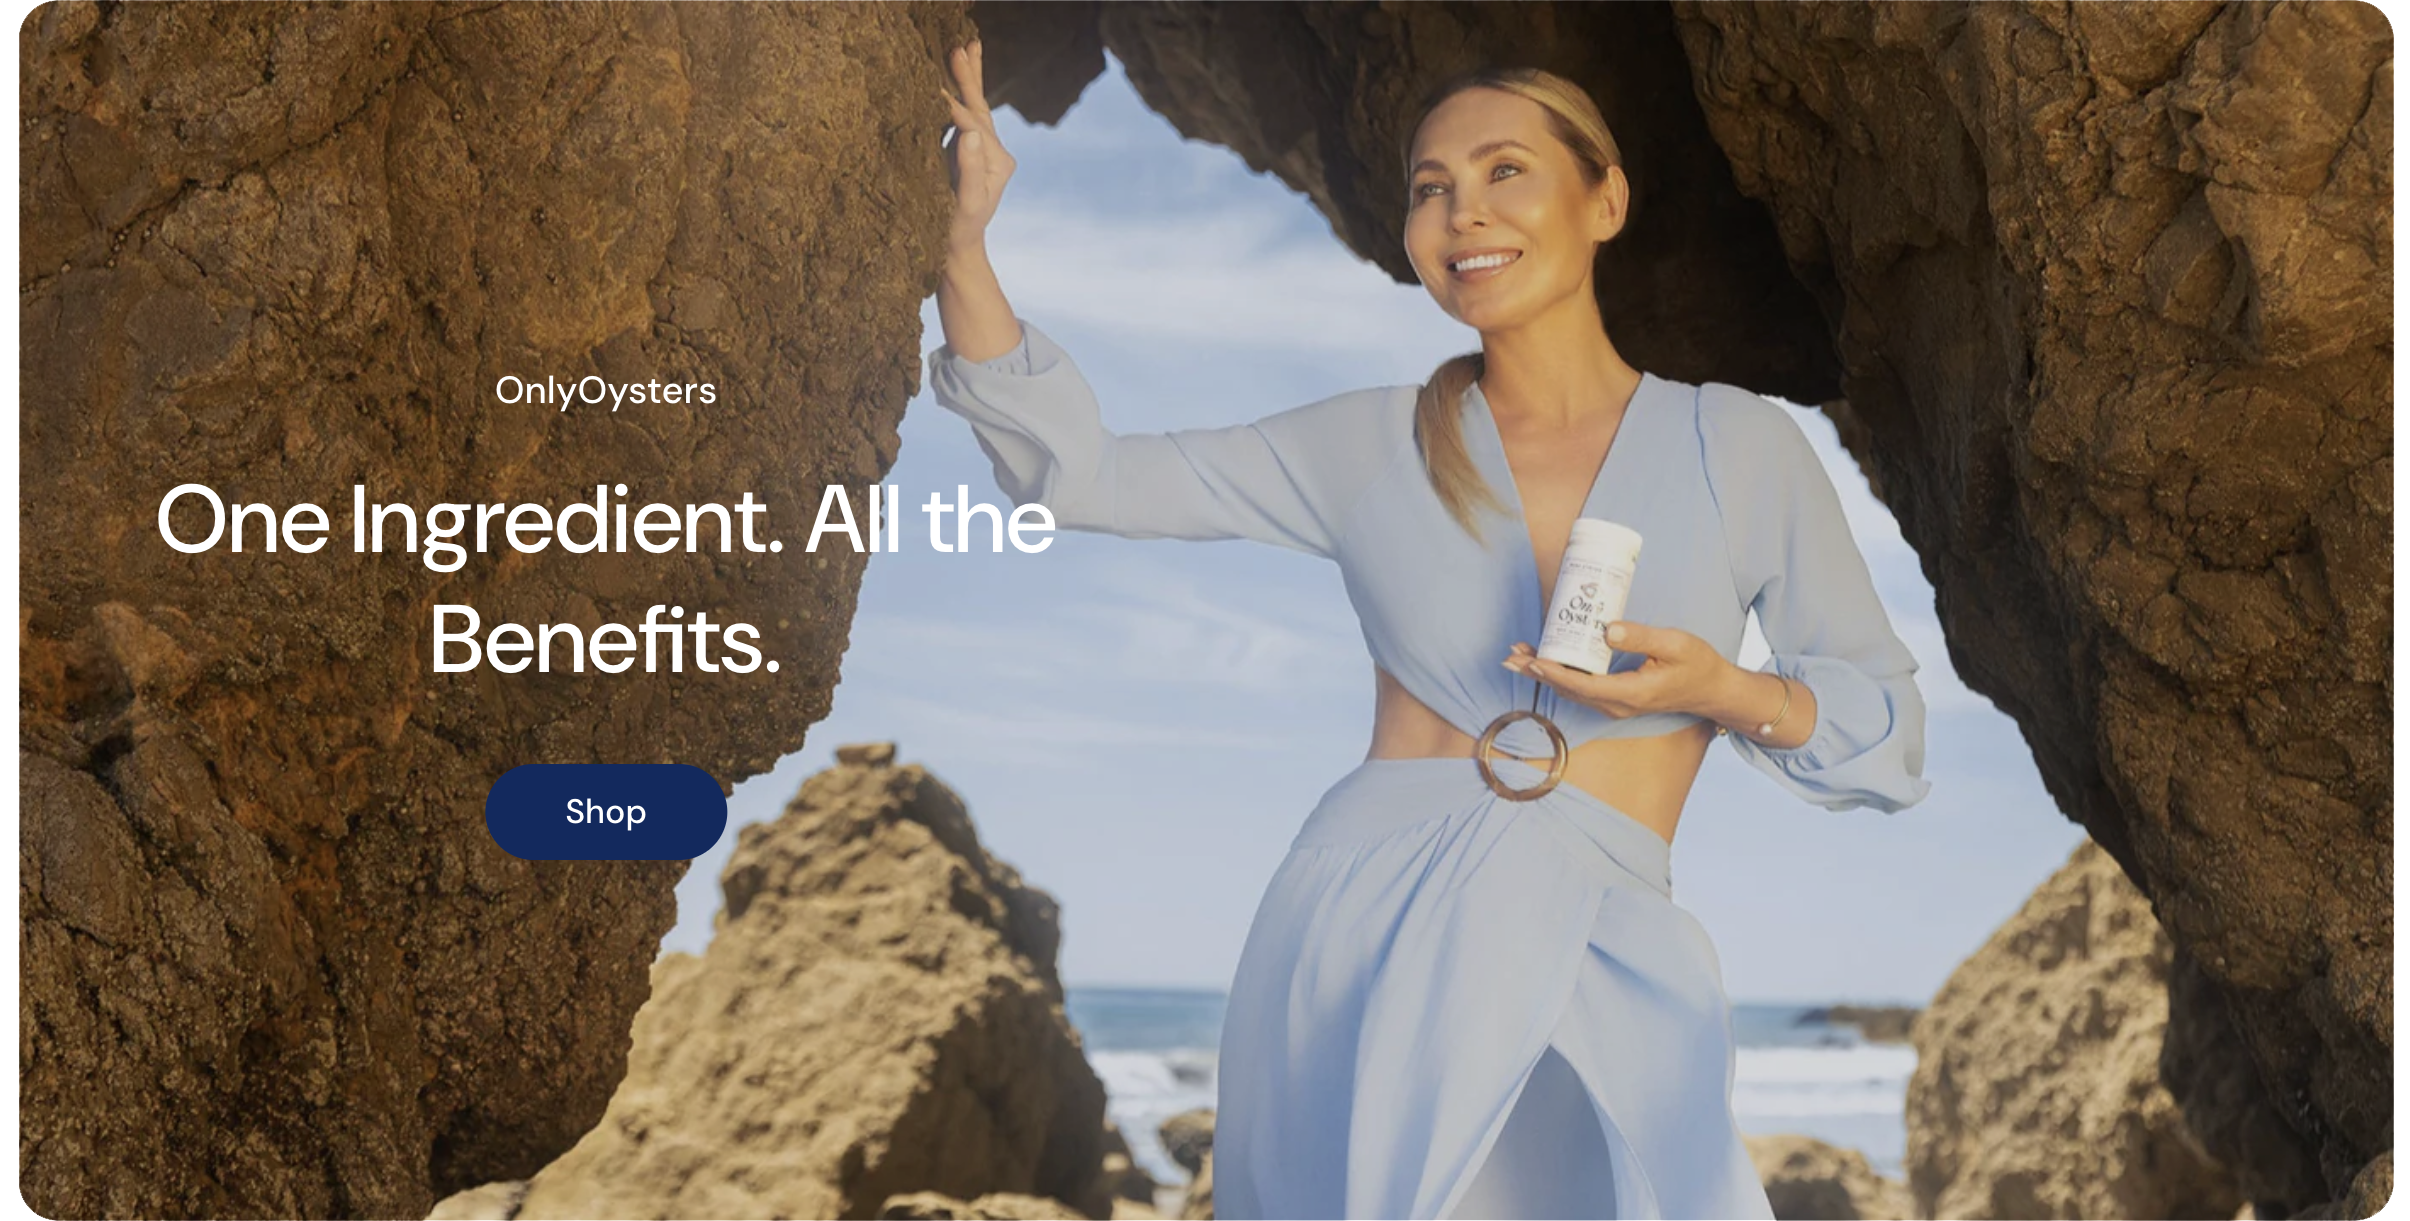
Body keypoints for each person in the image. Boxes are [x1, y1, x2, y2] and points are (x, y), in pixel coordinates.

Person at [930, 41, 1932, 1221]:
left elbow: (1888, 735)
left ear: (1603, 199)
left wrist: (1724, 687)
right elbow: (1081, 479)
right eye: (1428, 187)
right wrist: (962, 243)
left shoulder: (1740, 446)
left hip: (1611, 931)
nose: (1464, 213)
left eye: (1507, 170)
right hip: (1359, 925)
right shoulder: (1371, 443)